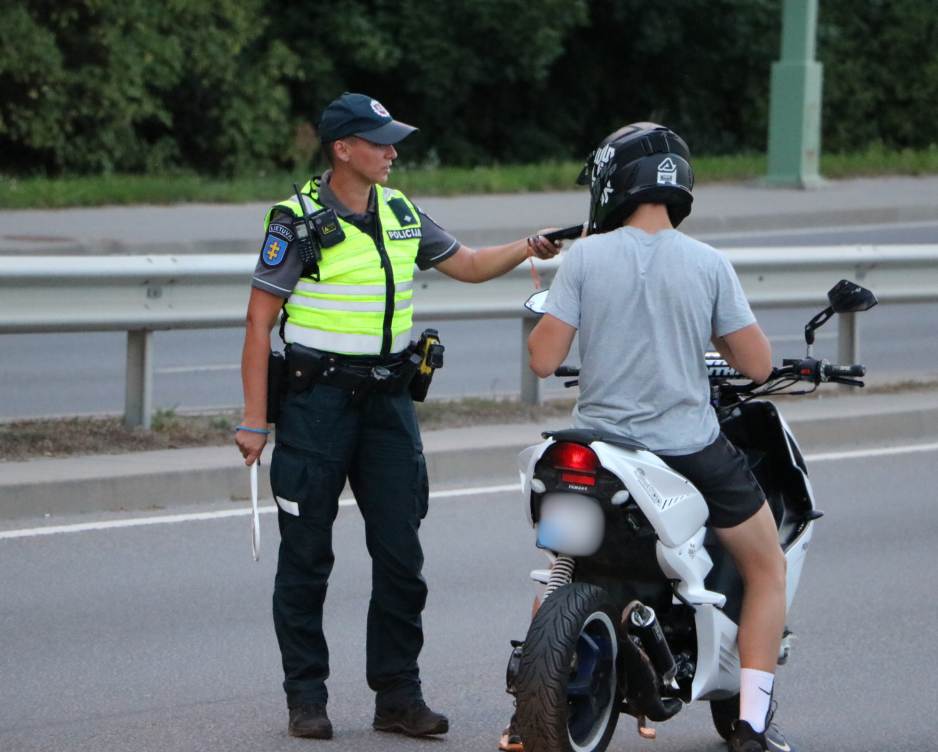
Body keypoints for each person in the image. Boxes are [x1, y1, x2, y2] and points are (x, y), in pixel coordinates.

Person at [234, 92, 563, 741]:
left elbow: (465, 265)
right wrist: (254, 420)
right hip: (316, 405)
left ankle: (398, 696)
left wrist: (528, 246)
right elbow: (258, 321)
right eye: (380, 142)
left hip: (388, 404)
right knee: (306, 558)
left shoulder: (401, 210)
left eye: (393, 142)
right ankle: (306, 696)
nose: (392, 152)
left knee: (401, 557)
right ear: (343, 149)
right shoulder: (296, 220)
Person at [505, 123, 798, 752]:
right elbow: (756, 366)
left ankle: (520, 720)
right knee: (767, 566)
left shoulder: (584, 256)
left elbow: (542, 360)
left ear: (614, 183)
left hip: (597, 448)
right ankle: (750, 724)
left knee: (561, 568)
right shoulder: (708, 263)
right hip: (687, 448)